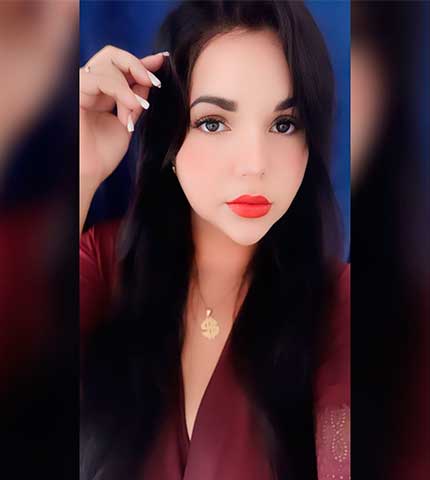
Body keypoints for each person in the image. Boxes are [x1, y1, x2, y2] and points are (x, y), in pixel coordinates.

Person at [79, 2, 350, 479]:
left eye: (284, 124)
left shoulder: (340, 304)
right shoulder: (101, 264)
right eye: (213, 122)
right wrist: (80, 170)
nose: (254, 164)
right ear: (169, 138)